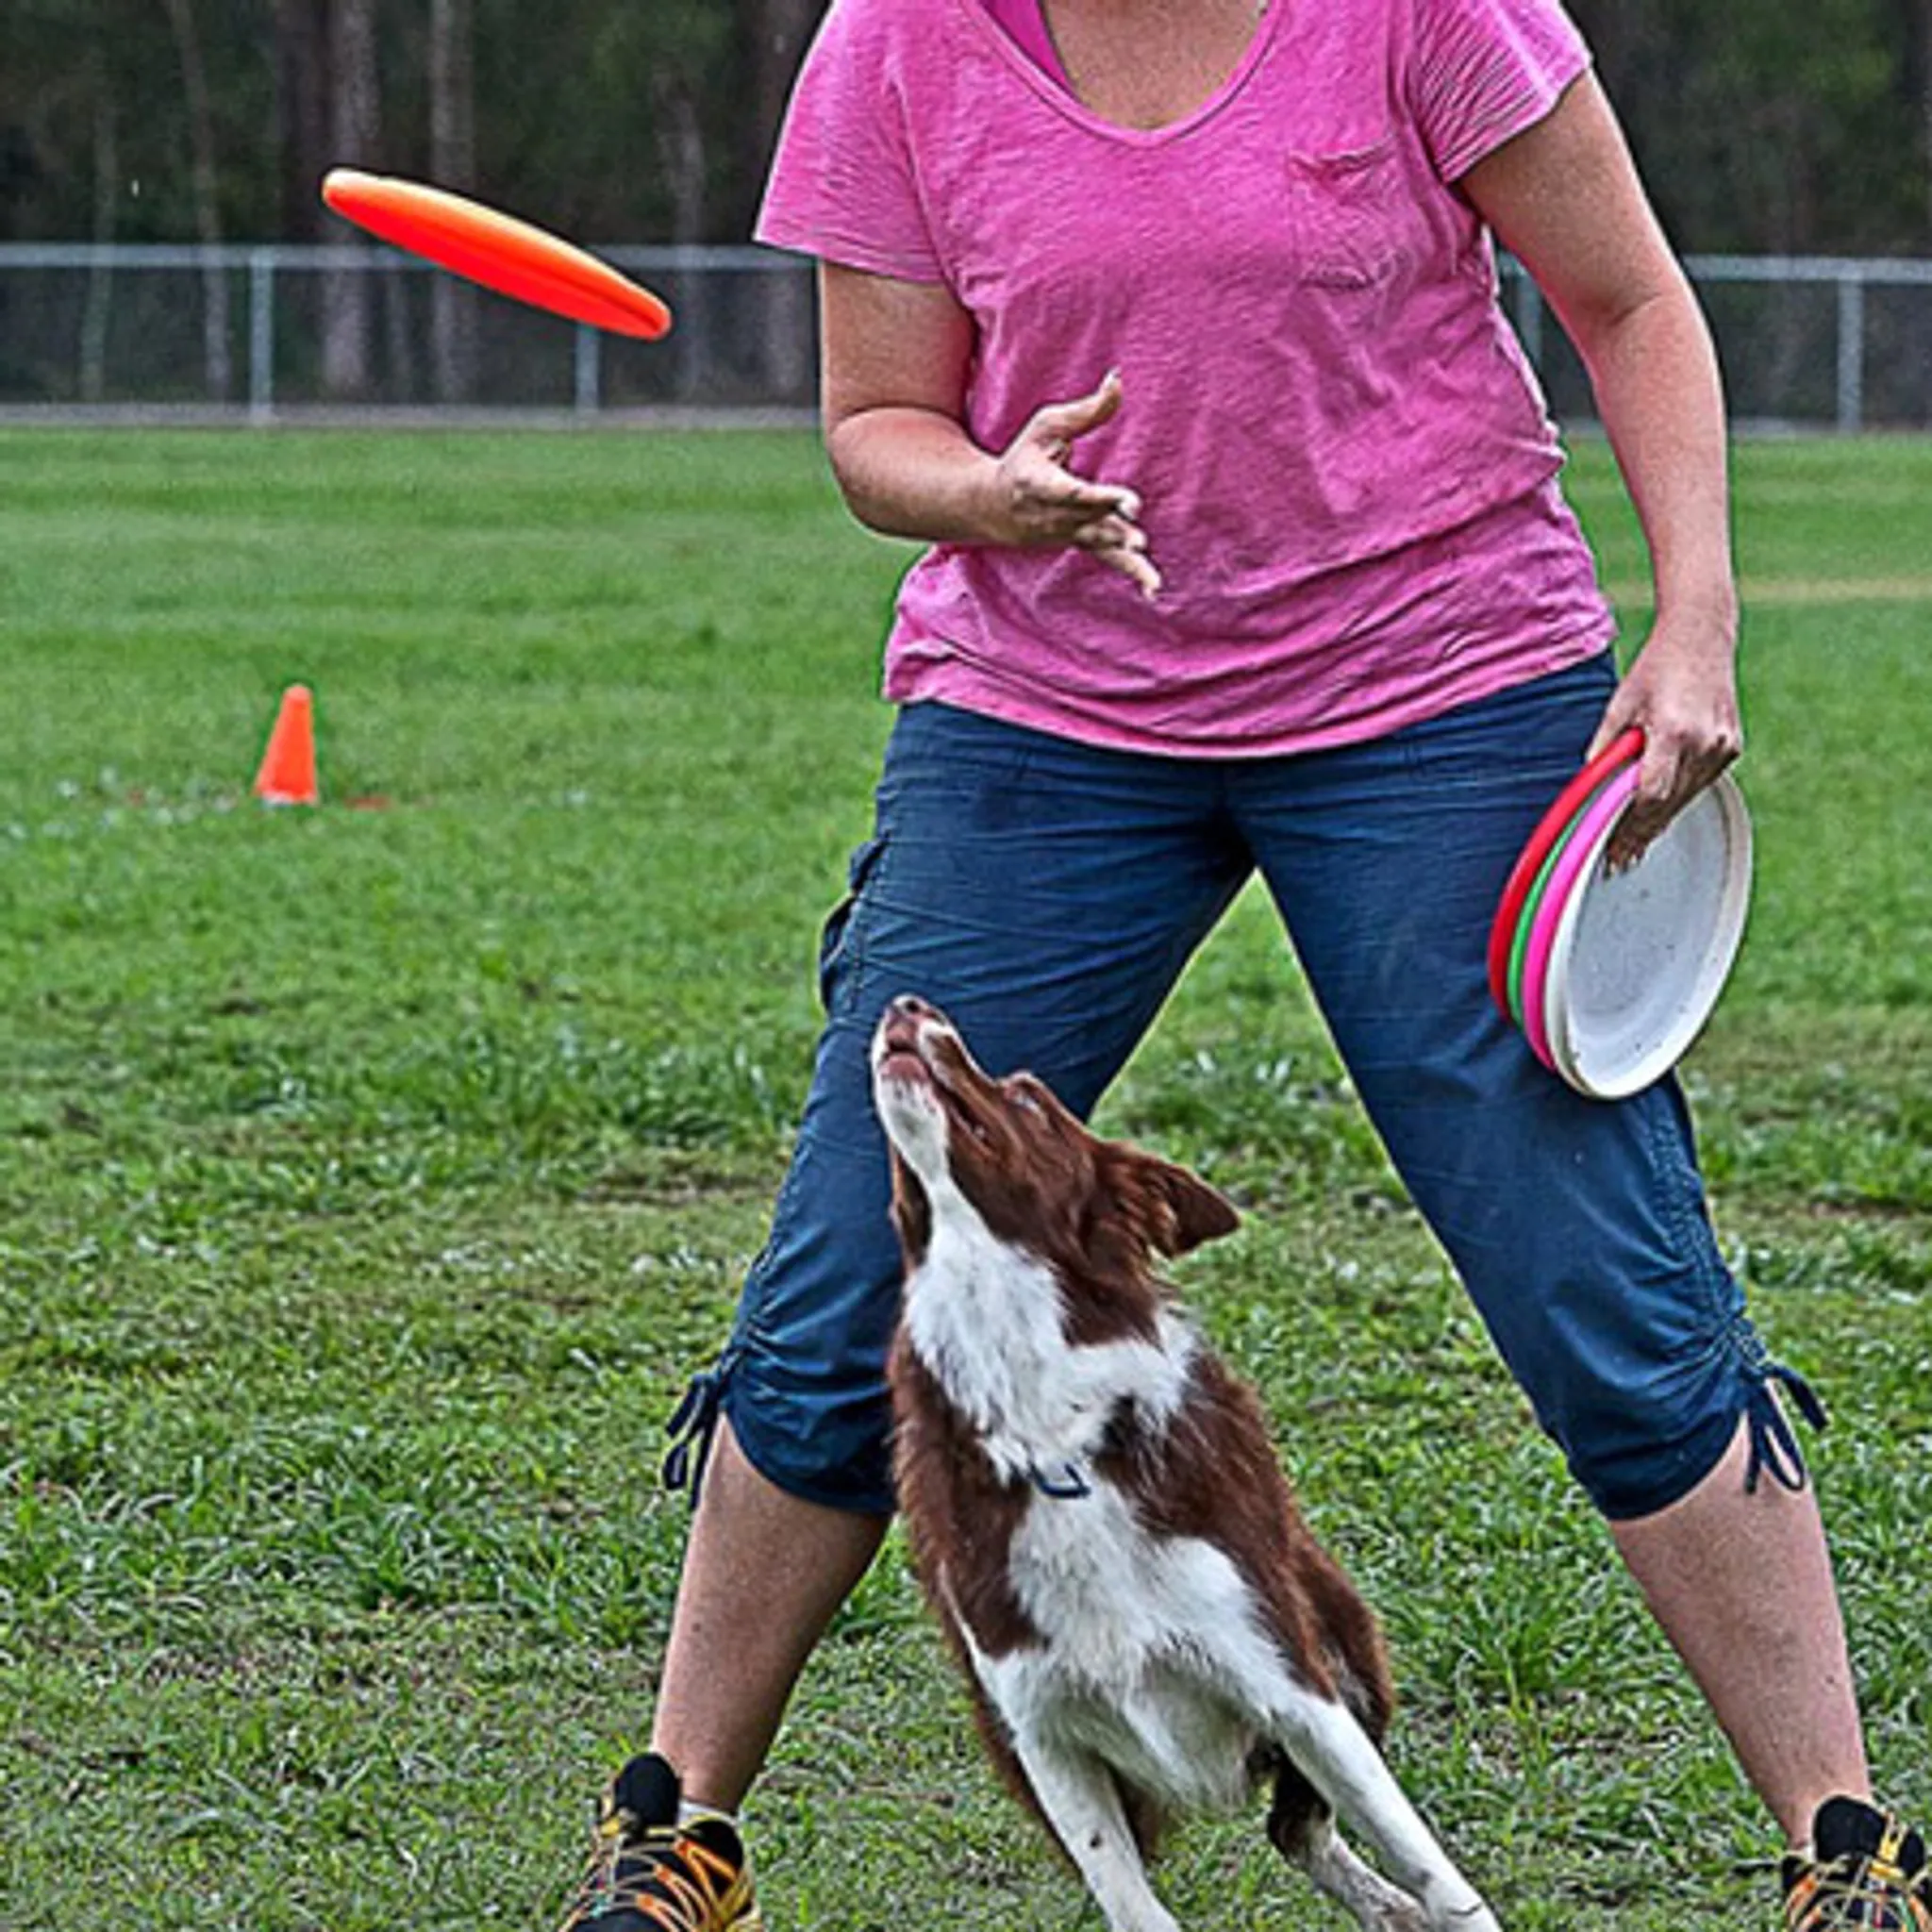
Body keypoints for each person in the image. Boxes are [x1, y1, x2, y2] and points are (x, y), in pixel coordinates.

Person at [553, 2, 1930, 1929]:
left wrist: (1693, 623)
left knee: (1600, 1284)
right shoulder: (900, 41)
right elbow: (877, 428)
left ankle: (1844, 1845)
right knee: (845, 1274)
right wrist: (987, 491)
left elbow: (1629, 302)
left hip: (1439, 684)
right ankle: (675, 1822)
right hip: (1046, 705)